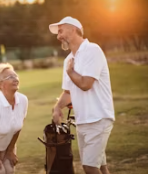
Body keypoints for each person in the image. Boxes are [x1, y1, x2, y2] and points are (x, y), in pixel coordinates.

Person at [49, 16, 115, 174]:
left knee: (90, 167)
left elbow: (86, 84)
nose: (58, 36)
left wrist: (71, 72)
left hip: (98, 118)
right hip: (83, 122)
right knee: (100, 166)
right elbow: (68, 92)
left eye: (61, 31)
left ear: (73, 30)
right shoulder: (68, 60)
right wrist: (57, 107)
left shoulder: (92, 50)